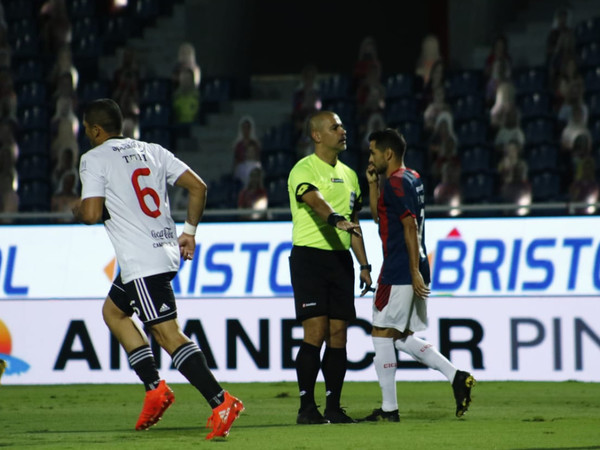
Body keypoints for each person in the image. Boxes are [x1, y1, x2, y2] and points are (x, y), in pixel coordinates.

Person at [72, 99, 243, 439]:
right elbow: (198, 187)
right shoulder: (153, 150)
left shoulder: (94, 158)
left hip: (142, 261)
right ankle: (155, 389)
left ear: (94, 130)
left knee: (167, 334)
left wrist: (76, 209)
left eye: (88, 131)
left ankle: (221, 401)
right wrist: (189, 233)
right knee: (114, 314)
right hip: (161, 250)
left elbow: (91, 214)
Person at [362, 128, 475, 422]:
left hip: (401, 267)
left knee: (381, 333)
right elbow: (379, 216)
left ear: (388, 153)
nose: (371, 158)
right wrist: (373, 184)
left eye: (374, 152)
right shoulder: (410, 177)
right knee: (399, 337)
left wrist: (412, 272)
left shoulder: (397, 183)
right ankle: (456, 376)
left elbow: (409, 226)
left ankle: (389, 410)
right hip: (414, 263)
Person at [287, 110, 372, 424]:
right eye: (336, 126)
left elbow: (355, 223)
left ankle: (334, 407)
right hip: (310, 258)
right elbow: (314, 199)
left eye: (343, 125)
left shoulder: (350, 175)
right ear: (317, 135)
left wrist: (364, 263)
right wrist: (335, 219)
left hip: (341, 260)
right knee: (316, 332)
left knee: (339, 334)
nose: (343, 130)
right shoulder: (303, 169)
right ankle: (306, 408)